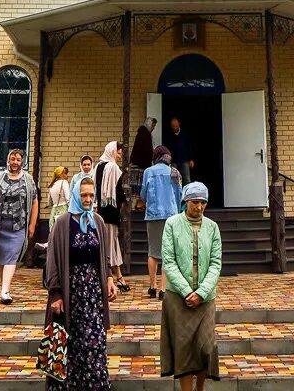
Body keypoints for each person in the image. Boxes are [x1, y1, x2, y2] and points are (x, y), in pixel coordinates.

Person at [44, 176, 117, 390]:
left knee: (93, 343)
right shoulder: (63, 223)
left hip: (93, 293)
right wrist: (55, 293)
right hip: (71, 292)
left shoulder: (98, 221)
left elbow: (103, 257)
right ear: (76, 195)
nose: (87, 199)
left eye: (91, 195)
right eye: (84, 195)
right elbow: (53, 260)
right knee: (68, 343)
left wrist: (110, 277)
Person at [160, 181, 222, 391]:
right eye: (196, 202)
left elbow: (216, 262)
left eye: (203, 202)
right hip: (178, 298)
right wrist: (187, 291)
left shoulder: (213, 227)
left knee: (205, 346)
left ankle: (200, 388)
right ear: (186, 201)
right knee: (184, 347)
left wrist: (202, 292)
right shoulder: (172, 224)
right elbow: (168, 261)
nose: (200, 207)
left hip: (205, 299)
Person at [0, 148, 38, 304]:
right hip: (0, 225)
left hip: (18, 226)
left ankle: (5, 291)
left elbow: (34, 203)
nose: (15, 162)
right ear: (8, 160)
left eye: (18, 159)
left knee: (11, 258)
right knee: (1, 259)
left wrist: (32, 224)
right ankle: (4, 288)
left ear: (22, 161)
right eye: (12, 159)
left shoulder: (28, 180)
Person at [140, 144, 182, 299]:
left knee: (153, 251)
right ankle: (164, 290)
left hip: (153, 215)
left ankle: (152, 286)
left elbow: (143, 194)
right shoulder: (174, 172)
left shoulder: (148, 172)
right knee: (167, 253)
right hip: (171, 215)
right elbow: (180, 194)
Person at [94, 141, 129, 292]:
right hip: (111, 211)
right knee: (111, 243)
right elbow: (118, 191)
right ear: (113, 151)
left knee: (105, 243)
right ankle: (116, 278)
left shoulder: (97, 167)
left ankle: (116, 277)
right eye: (119, 153)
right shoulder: (113, 167)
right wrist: (125, 201)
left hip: (99, 211)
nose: (120, 156)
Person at [127, 117, 157, 209]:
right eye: (153, 126)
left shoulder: (141, 133)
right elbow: (146, 152)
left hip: (136, 164)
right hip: (140, 166)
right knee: (138, 188)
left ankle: (133, 207)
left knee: (135, 188)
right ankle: (135, 207)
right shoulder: (146, 135)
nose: (153, 128)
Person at [166, 116, 194, 186]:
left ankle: (187, 195)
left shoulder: (185, 134)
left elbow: (189, 146)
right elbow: (167, 148)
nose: (175, 128)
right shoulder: (169, 135)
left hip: (184, 160)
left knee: (186, 179)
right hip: (174, 161)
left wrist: (191, 159)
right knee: (174, 180)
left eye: (176, 126)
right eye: (173, 126)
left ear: (179, 124)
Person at [48, 166, 71, 232]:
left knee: (54, 232)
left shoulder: (52, 185)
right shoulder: (64, 183)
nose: (67, 175)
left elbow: (50, 202)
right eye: (65, 173)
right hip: (63, 210)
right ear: (61, 174)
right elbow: (68, 198)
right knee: (63, 232)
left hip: (53, 211)